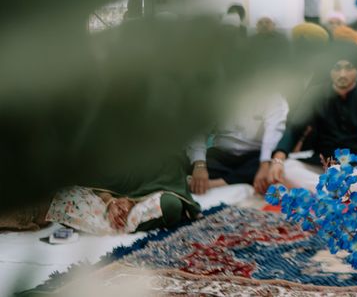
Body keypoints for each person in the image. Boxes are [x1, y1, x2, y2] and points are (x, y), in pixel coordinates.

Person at [269, 40, 357, 192]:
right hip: (322, 167)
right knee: (287, 167)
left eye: (349, 68)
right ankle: (339, 191)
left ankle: (329, 191)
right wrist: (278, 158)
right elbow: (295, 128)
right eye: (337, 68)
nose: (342, 74)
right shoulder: (315, 94)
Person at [46, 154, 201, 235]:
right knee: (65, 198)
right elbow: (95, 180)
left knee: (171, 206)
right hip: (107, 200)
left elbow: (169, 165)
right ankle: (120, 219)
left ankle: (121, 220)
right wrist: (111, 203)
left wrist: (131, 201)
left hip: (149, 194)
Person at [187, 91, 289, 195]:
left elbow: (273, 132)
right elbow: (199, 132)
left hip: (254, 157)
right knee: (186, 159)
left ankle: (214, 184)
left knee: (269, 167)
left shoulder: (274, 97)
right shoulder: (218, 93)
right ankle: (235, 179)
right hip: (221, 154)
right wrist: (200, 165)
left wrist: (264, 165)